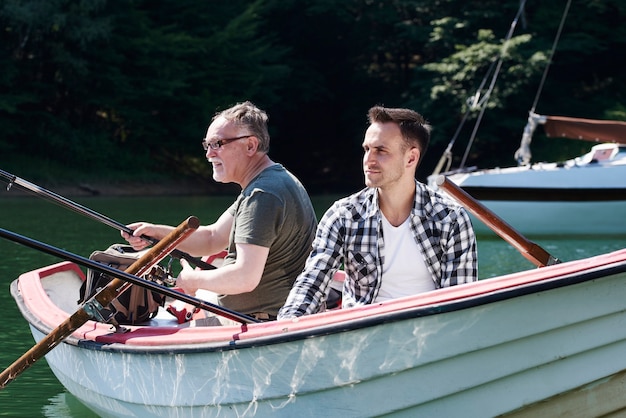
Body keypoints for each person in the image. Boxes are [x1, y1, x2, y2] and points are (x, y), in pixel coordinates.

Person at [123, 101, 317, 322]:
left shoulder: (263, 194)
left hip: (260, 322)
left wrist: (194, 281)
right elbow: (212, 238)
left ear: (251, 146)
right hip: (264, 315)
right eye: (207, 145)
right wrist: (157, 234)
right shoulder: (271, 182)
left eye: (218, 143)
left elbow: (245, 277)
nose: (209, 154)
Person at [278, 105, 477, 319]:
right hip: (362, 337)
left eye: (381, 151)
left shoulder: (450, 218)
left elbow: (460, 306)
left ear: (411, 158)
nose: (368, 160)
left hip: (429, 335)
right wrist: (287, 325)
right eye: (367, 149)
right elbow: (312, 282)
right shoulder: (343, 216)